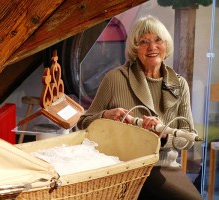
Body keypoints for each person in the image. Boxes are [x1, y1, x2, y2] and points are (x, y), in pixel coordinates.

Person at [77, 15, 202, 200]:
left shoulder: (180, 84)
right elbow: (82, 123)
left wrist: (165, 134)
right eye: (144, 42)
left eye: (158, 40)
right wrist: (105, 115)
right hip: (123, 167)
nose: (152, 47)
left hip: (162, 165)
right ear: (135, 48)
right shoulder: (115, 78)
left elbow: (188, 137)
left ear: (166, 44)